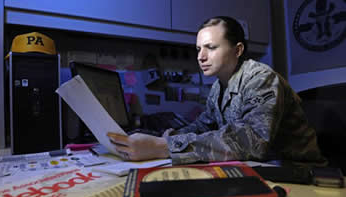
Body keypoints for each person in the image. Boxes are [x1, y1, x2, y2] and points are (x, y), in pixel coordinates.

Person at [107, 16, 327, 166]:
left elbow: (252, 141)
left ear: (238, 50)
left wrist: (164, 147)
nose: (200, 56)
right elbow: (205, 125)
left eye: (211, 48)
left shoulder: (261, 78)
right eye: (198, 49)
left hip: (299, 174)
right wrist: (172, 135)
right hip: (260, 169)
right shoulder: (218, 87)